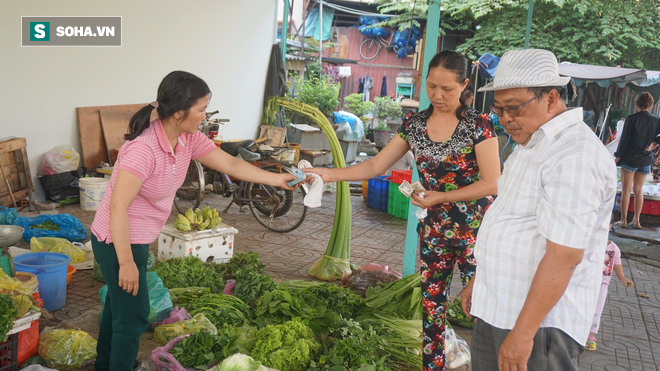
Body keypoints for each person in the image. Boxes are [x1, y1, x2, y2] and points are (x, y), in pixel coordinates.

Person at [89, 71, 300, 371]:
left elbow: (228, 162)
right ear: (178, 111)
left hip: (135, 237)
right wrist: (126, 263)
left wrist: (277, 179)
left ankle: (106, 365)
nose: (204, 116)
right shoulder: (144, 150)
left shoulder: (186, 138)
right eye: (201, 109)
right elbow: (117, 208)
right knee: (134, 316)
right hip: (116, 239)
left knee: (118, 310)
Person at [304, 50, 500, 370]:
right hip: (434, 230)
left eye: (447, 89)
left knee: (481, 310)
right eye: (431, 86)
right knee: (431, 310)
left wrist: (439, 196)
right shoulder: (415, 124)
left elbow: (492, 183)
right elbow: (374, 164)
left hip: (476, 233)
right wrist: (328, 174)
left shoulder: (479, 125)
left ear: (465, 85)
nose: (437, 95)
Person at [460, 49, 616, 371]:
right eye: (499, 109)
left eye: (514, 107)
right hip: (501, 307)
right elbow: (509, 218)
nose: (505, 119)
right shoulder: (531, 144)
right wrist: (481, 278)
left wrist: (523, 334)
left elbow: (564, 255)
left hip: (537, 325)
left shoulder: (575, 154)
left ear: (550, 98)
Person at [614, 92, 660, 229]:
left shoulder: (632, 119)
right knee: (639, 191)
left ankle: (623, 220)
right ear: (651, 105)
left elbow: (624, 140)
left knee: (626, 190)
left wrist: (618, 155)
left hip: (630, 158)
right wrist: (653, 143)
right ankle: (636, 220)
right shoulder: (656, 120)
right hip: (646, 159)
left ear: (636, 104)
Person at [585, 239, 634, 351]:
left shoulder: (614, 248)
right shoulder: (590, 241)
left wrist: (622, 278)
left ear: (610, 226)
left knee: (597, 311)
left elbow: (617, 264)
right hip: (586, 281)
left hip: (602, 284)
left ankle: (591, 337)